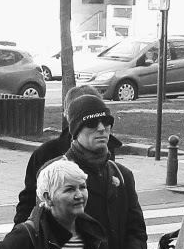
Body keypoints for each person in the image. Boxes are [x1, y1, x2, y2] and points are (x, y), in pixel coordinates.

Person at [14, 92, 144, 249]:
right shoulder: (55, 173)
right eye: (92, 124)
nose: (102, 129)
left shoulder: (122, 175)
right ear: (75, 131)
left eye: (107, 122)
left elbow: (136, 229)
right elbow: (37, 233)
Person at [13, 85, 125, 225]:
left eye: (104, 120)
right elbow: (30, 202)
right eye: (91, 121)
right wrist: (21, 237)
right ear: (68, 115)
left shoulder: (116, 166)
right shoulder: (46, 154)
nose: (100, 127)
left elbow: (131, 220)